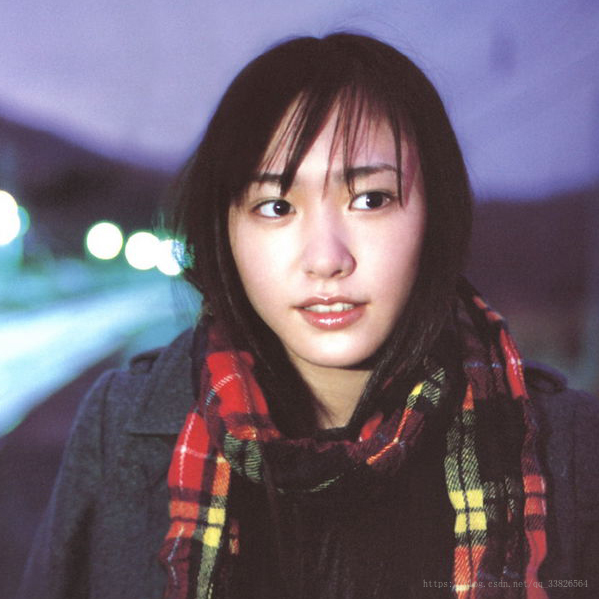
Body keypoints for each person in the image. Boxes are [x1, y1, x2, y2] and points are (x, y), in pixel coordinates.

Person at [18, 33, 598, 599]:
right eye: (276, 206)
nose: (326, 259)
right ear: (225, 232)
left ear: (435, 214)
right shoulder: (120, 427)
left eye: (371, 200)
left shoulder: (569, 445)